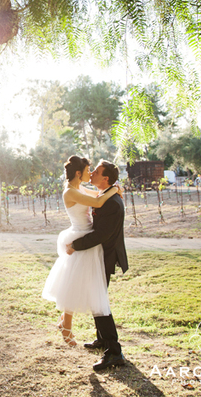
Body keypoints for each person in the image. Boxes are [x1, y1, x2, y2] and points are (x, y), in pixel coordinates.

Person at [41, 155, 120, 347]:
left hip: (87, 235)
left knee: (78, 282)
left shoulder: (80, 188)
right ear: (78, 173)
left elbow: (98, 195)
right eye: (87, 170)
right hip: (80, 236)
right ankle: (66, 327)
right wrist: (115, 189)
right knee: (75, 282)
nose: (90, 173)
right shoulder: (70, 192)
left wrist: (112, 189)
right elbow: (99, 202)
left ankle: (65, 322)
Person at [66, 159, 128, 371]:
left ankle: (114, 352)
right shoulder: (106, 194)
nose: (91, 173)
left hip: (105, 256)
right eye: (89, 170)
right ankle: (102, 340)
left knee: (99, 301)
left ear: (105, 178)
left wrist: (76, 245)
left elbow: (101, 234)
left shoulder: (111, 203)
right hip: (99, 254)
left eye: (96, 172)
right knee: (96, 298)